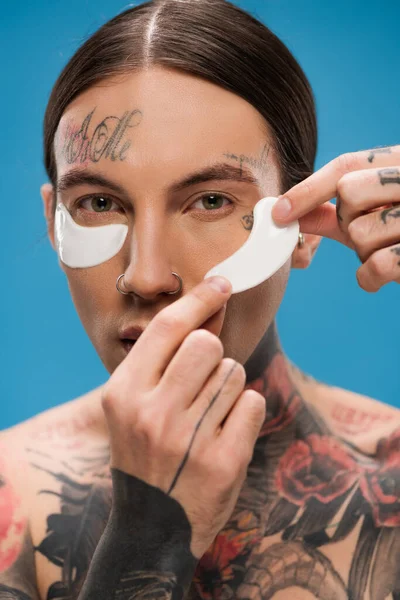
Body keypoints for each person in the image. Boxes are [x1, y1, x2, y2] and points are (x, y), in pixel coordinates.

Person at [1, 0, 399, 598]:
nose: (148, 276)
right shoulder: (11, 495)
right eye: (100, 204)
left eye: (211, 201)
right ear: (54, 225)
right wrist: (146, 538)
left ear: (305, 227)